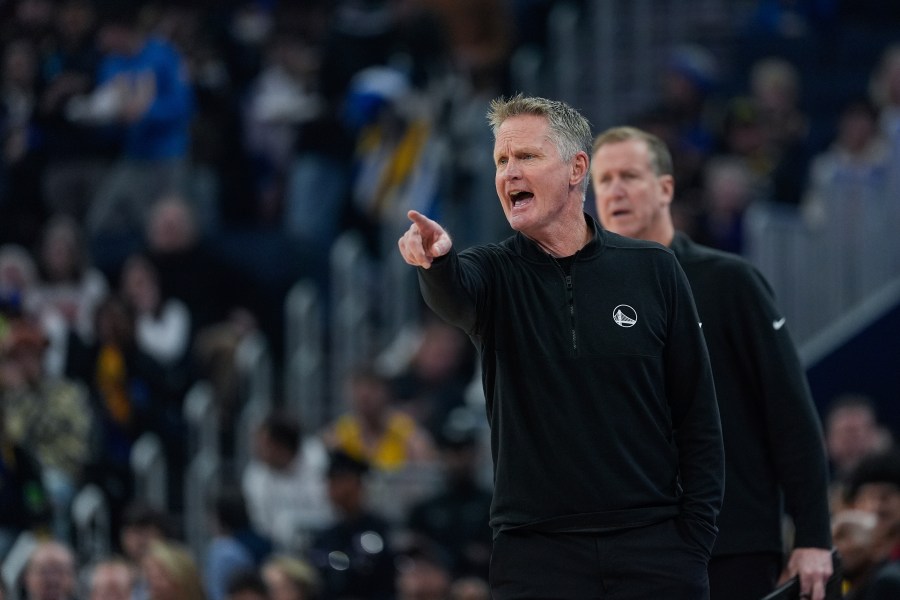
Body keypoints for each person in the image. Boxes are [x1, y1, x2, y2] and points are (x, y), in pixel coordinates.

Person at [397, 94, 724, 599]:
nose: (509, 173)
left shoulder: (653, 269)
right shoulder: (492, 272)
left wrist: (694, 539)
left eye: (526, 156)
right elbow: (454, 297)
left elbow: (697, 413)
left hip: (654, 549)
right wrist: (437, 263)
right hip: (535, 557)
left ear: (576, 169)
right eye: (501, 161)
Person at [590, 125, 833, 600]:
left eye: (630, 176)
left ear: (665, 188)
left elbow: (791, 414)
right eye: (604, 180)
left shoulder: (730, 282)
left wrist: (812, 537)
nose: (616, 190)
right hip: (629, 551)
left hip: (733, 542)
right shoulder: (587, 301)